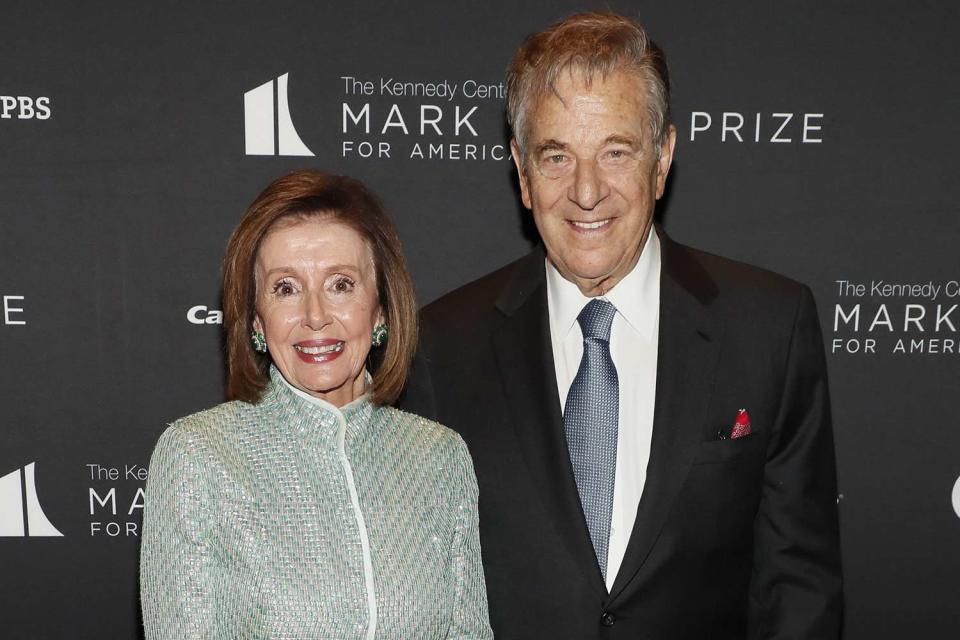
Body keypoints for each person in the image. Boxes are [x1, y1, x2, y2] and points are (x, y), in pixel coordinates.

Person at [401, 12, 842, 639]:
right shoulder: (442, 346)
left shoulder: (769, 325)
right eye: (556, 156)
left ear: (661, 157)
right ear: (521, 172)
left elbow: (799, 586)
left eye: (615, 151)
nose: (586, 191)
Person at [140, 170, 492, 639]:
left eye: (341, 284)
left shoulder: (438, 456)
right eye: (285, 288)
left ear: (382, 307)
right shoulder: (199, 455)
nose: (315, 316)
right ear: (257, 321)